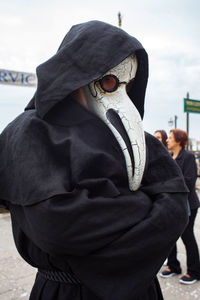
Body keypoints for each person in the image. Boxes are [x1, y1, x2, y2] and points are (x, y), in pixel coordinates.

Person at [0, 21, 189, 300]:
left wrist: (103, 206)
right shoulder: (29, 132)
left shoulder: (140, 139)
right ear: (78, 74)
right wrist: (144, 203)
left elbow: (176, 207)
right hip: (64, 292)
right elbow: (57, 226)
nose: (123, 94)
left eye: (131, 84)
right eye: (111, 82)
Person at [160, 129, 200, 284]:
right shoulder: (170, 157)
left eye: (170, 138)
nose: (167, 140)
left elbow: (189, 181)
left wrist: (168, 184)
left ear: (179, 140)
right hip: (173, 204)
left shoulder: (188, 156)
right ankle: (173, 266)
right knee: (170, 235)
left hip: (188, 204)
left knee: (187, 236)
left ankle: (195, 271)